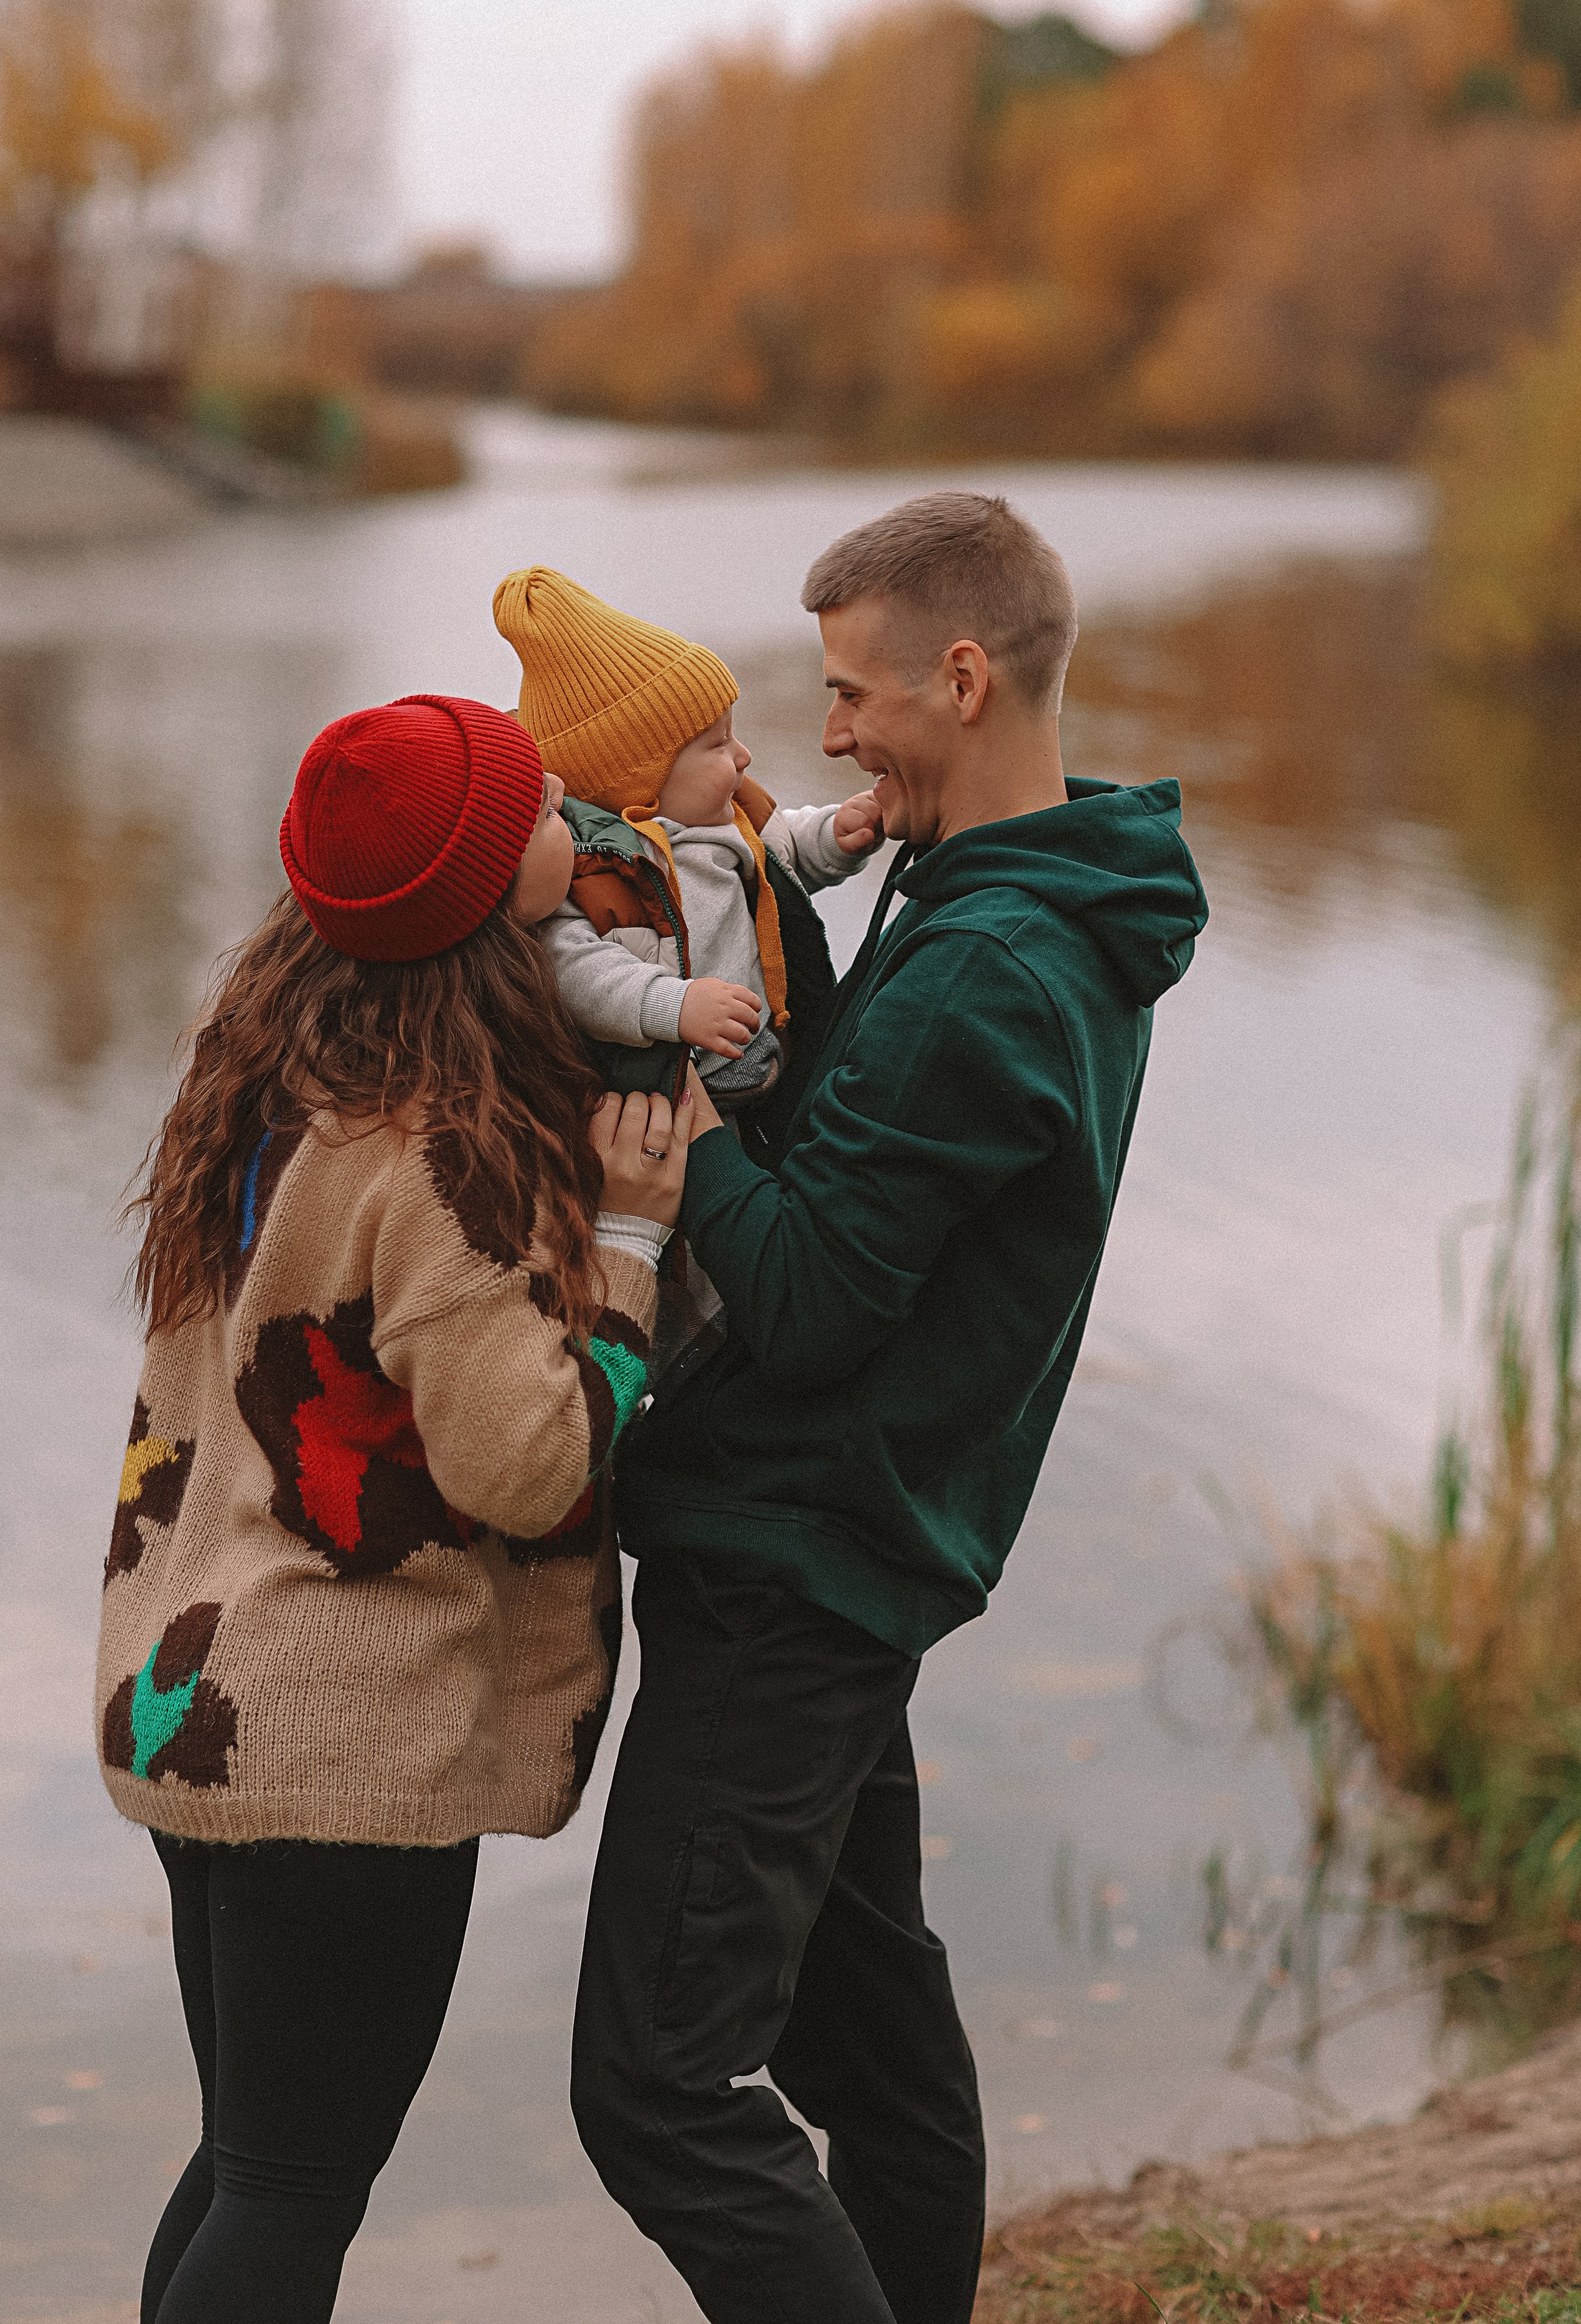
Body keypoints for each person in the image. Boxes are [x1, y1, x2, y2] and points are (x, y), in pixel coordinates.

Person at [569, 493, 1210, 2324]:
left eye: (854, 695)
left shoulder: (994, 960)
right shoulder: (1013, 894)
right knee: (879, 2077)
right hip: (850, 1545)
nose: (827, 734)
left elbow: (819, 1296)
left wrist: (684, 1147)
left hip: (800, 1564)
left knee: (656, 2088)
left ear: (962, 668)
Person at [95, 691, 690, 2324]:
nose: (572, 813)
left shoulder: (262, 1083)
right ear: (487, 895)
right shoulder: (441, 1158)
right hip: (336, 1732)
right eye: (541, 811)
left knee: (248, 2163)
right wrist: (632, 1247)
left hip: (195, 1691)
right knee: (291, 2190)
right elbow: (527, 1463)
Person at [492, 567, 883, 1128]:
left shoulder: (730, 815)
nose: (744, 755)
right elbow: (576, 971)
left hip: (769, 1064)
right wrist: (674, 1006)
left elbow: (783, 852)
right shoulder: (590, 868)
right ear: (641, 781)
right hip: (678, 1101)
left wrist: (836, 834)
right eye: (719, 743)